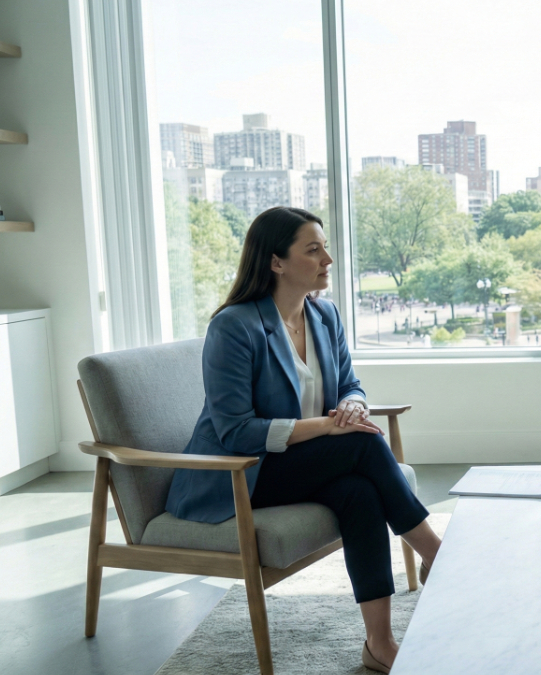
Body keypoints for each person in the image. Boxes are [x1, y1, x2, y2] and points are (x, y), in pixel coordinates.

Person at [165, 206, 440, 674]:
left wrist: (351, 406)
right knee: (362, 444)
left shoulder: (324, 315)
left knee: (360, 492)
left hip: (308, 462)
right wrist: (329, 427)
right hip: (244, 473)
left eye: (325, 248)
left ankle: (379, 643)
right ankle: (436, 553)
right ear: (276, 262)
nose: (327, 259)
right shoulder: (235, 326)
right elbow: (235, 430)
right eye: (313, 250)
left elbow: (350, 384)